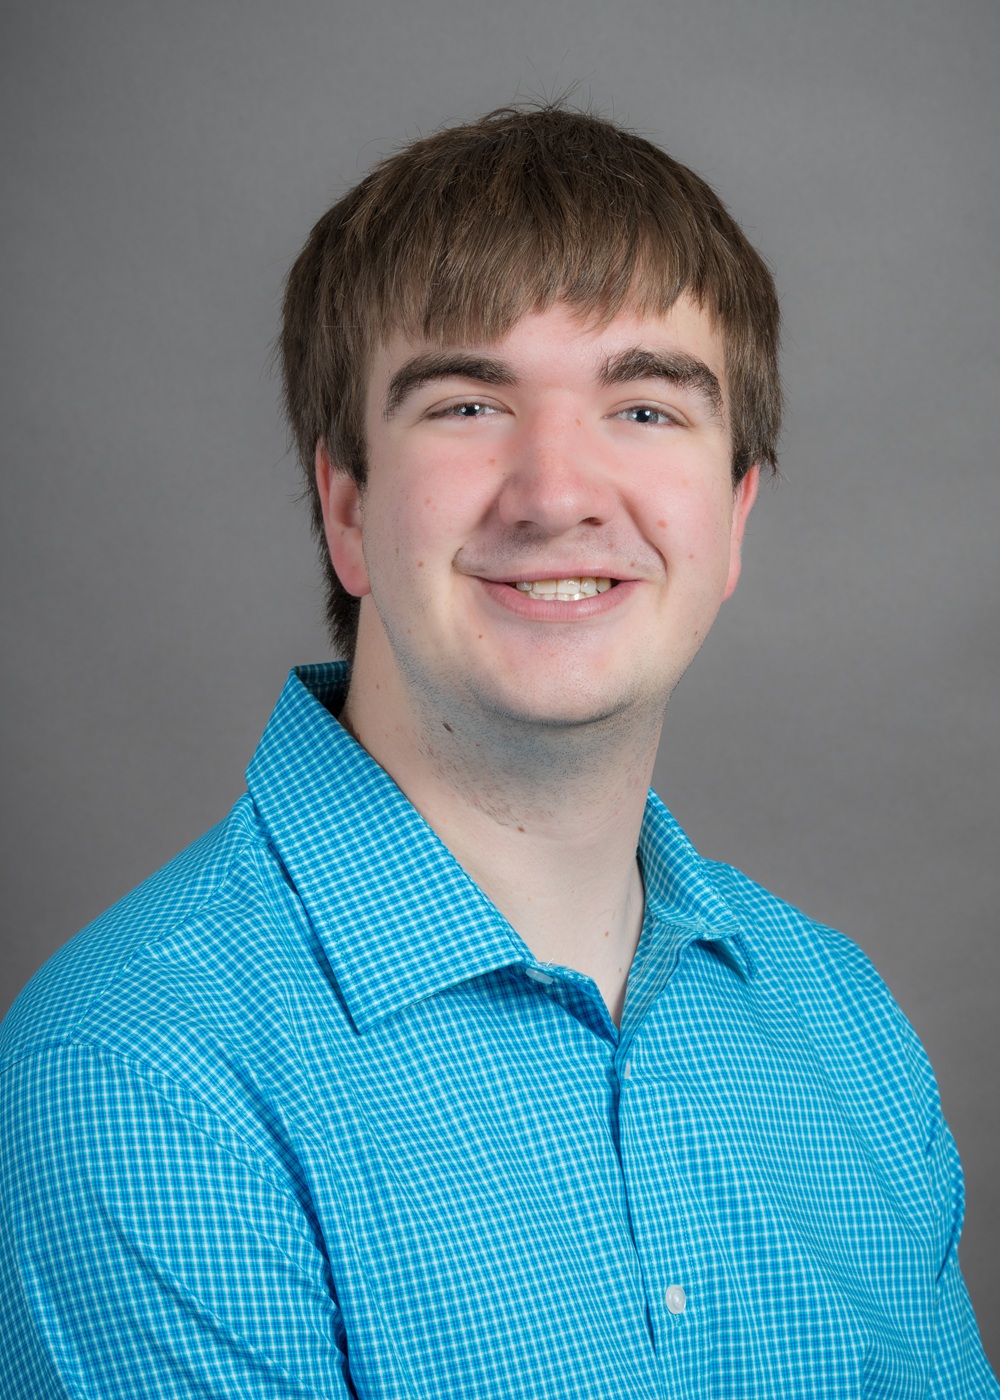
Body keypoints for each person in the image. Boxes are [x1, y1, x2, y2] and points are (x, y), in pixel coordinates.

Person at [0, 104, 995, 1399]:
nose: (557, 492)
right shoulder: (141, 1075)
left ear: (733, 518)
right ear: (347, 510)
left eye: (646, 408)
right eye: (468, 403)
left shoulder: (840, 1022)